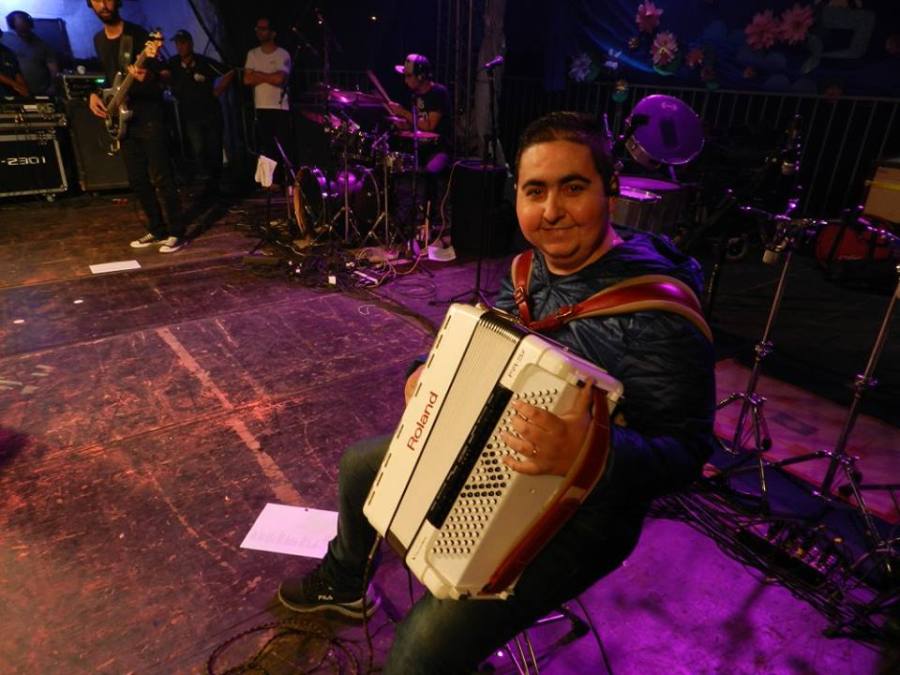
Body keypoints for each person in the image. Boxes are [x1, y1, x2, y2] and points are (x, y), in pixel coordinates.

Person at [275, 111, 717, 672]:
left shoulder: (658, 311)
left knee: (418, 648)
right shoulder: (528, 270)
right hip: (498, 450)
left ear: (610, 188)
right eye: (535, 191)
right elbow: (483, 338)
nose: (551, 211)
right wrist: (423, 369)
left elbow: (688, 452)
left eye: (573, 188)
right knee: (360, 465)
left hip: (584, 513)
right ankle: (343, 581)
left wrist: (591, 453)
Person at [87, 0, 185, 253]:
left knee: (162, 176)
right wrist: (95, 94)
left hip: (149, 116)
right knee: (138, 179)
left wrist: (149, 76)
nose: (103, 5)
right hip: (123, 119)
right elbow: (107, 78)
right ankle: (157, 229)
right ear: (90, 5)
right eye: (96, 0)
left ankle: (177, 232)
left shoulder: (139, 35)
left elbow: (167, 75)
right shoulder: (98, 40)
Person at [161, 29, 234, 198]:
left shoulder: (203, 62)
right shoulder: (173, 63)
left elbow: (229, 72)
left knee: (214, 149)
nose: (180, 47)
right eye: (177, 43)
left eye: (183, 43)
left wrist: (218, 90)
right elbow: (163, 75)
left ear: (190, 43)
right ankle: (206, 183)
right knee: (198, 150)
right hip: (190, 116)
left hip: (211, 114)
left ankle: (216, 185)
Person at [243, 16, 291, 186]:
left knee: (282, 146)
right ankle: (267, 184)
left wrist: (257, 74)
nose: (259, 32)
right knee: (266, 147)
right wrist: (269, 76)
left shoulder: (282, 54)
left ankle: (284, 182)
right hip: (261, 107)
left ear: (272, 33)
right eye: (258, 28)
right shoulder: (252, 54)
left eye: (263, 29)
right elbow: (247, 79)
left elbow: (280, 79)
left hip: (280, 107)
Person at [1, 11, 58, 96]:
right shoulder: (4, 39)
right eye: (20, 29)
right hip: (13, 93)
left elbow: (53, 67)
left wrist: (53, 85)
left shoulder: (42, 44)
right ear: (12, 26)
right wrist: (16, 85)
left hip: (41, 91)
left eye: (26, 28)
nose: (24, 33)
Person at [0, 25, 28, 98]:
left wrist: (23, 88)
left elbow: (17, 73)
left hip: (11, 96)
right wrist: (15, 84)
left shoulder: (7, 52)